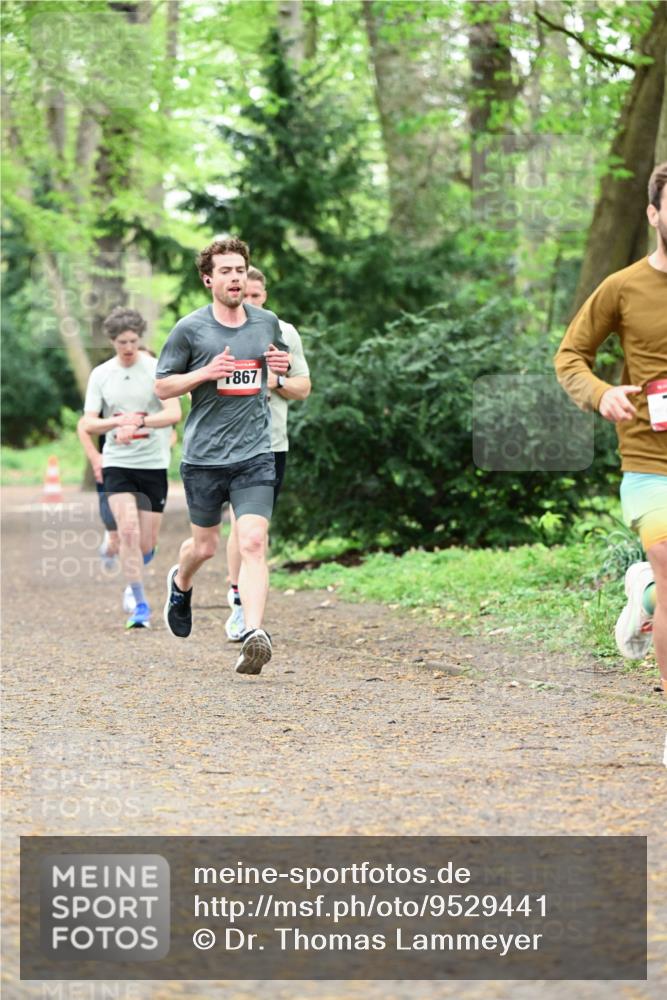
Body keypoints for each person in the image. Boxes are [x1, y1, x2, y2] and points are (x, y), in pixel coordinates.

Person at [555, 161, 667, 693]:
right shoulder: (623, 288)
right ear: (653, 214)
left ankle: (645, 597)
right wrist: (601, 395)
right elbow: (571, 355)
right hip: (651, 460)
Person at [155, 237, 291, 675]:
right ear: (208, 278)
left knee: (252, 541)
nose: (234, 277)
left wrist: (281, 372)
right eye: (226, 271)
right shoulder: (190, 329)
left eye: (240, 270)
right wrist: (205, 373)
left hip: (254, 452)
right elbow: (162, 387)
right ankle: (180, 581)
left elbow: (273, 369)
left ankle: (253, 634)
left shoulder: (266, 322)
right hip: (204, 457)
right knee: (206, 546)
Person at [225, 266, 311, 642]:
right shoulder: (218, 331)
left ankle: (247, 602)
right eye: (245, 295)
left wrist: (275, 380)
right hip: (229, 445)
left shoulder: (284, 332)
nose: (251, 301)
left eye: (257, 295)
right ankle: (240, 605)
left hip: (272, 443)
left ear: (264, 296)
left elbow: (303, 387)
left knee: (256, 531)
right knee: (243, 528)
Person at [81, 308, 181, 628]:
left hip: (152, 463)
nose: (128, 347)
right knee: (126, 531)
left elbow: (174, 413)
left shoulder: (156, 369)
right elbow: (89, 423)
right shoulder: (101, 375)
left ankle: (131, 572)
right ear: (112, 341)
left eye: (134, 341)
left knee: (146, 544)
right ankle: (140, 605)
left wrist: (140, 420)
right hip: (117, 463)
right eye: (122, 342)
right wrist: (116, 422)